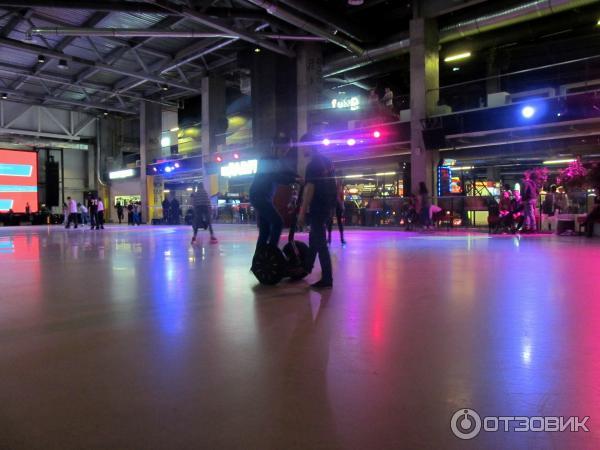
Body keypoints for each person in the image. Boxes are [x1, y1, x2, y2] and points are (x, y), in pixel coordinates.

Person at [298, 143, 337, 289]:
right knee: (314, 238)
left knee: (320, 242)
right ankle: (306, 267)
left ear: (309, 146)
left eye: (303, 147)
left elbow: (310, 189)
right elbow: (333, 184)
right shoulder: (327, 161)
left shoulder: (312, 165)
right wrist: (333, 206)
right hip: (327, 206)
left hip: (318, 206)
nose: (302, 150)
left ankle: (327, 278)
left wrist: (302, 212)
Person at [249, 136, 299, 249]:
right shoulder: (267, 159)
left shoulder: (277, 160)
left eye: (288, 149)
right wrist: (294, 180)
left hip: (264, 198)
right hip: (259, 197)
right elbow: (275, 176)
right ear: (277, 147)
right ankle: (272, 252)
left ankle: (260, 257)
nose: (286, 151)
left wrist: (298, 177)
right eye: (285, 148)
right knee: (278, 222)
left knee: (265, 230)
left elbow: (288, 172)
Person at [327, 179, 346, 245]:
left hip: (335, 205)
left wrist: (342, 206)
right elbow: (340, 199)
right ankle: (340, 239)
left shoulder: (338, 189)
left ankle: (330, 239)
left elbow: (341, 199)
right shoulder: (338, 189)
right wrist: (342, 205)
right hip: (335, 205)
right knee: (333, 221)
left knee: (332, 221)